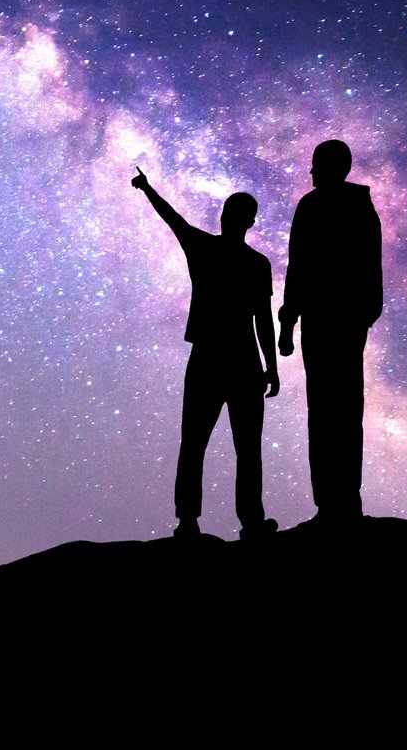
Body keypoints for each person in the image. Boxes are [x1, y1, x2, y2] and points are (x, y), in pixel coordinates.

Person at [131, 166, 280, 540]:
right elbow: (172, 219)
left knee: (232, 446)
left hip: (227, 359)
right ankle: (197, 521)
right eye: (229, 211)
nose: (228, 217)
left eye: (234, 212)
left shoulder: (246, 261)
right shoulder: (232, 256)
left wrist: (272, 365)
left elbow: (264, 317)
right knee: (206, 442)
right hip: (225, 358)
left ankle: (231, 521)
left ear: (245, 220)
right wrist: (148, 189)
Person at [276, 139, 383, 525]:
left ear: (329, 166)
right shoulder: (351, 207)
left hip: (331, 320)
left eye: (315, 164)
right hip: (338, 320)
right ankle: (336, 503)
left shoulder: (318, 206)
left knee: (328, 409)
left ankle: (338, 503)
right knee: (338, 409)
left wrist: (289, 321)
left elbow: (300, 268)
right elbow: (302, 267)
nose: (310, 171)